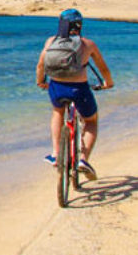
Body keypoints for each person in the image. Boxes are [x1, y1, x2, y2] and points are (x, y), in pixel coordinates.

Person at [36, 9, 113, 180]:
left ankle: (56, 153)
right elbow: (103, 68)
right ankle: (83, 160)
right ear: (80, 25)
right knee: (91, 121)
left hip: (56, 88)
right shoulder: (88, 44)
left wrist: (41, 82)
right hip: (79, 90)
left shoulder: (51, 41)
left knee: (58, 112)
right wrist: (108, 83)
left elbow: (41, 65)